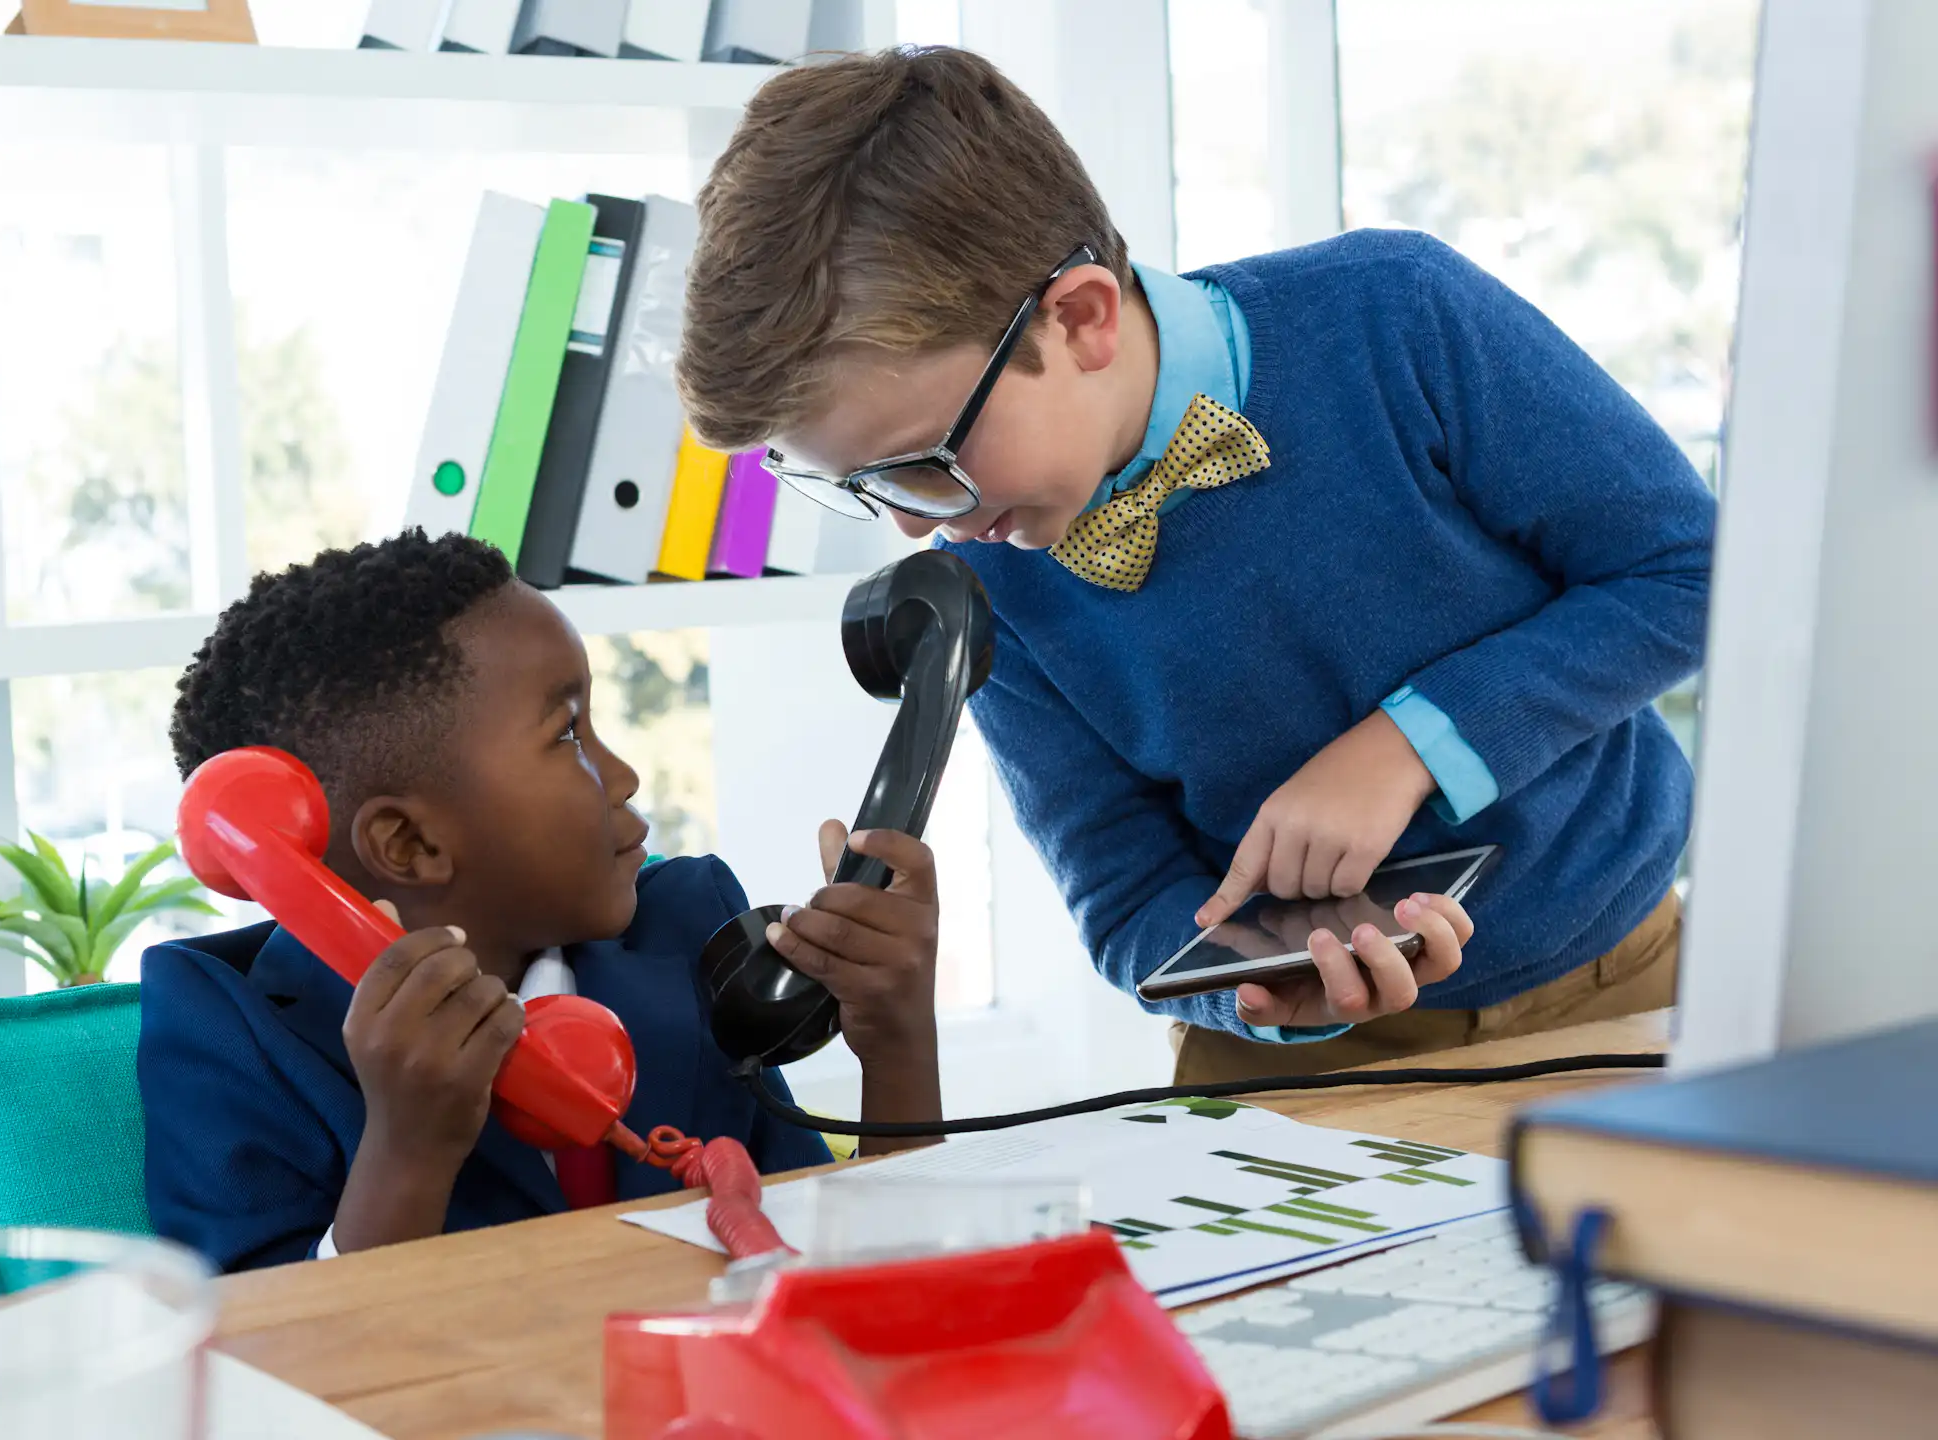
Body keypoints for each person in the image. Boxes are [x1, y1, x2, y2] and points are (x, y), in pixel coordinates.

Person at [674, 47, 1708, 1083]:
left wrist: (1407, 747)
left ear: (1078, 318)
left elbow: (1691, 572)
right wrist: (1261, 994)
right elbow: (1124, 900)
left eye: (927, 463)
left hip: (1622, 990)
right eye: (866, 486)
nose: (911, 527)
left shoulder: (1397, 316)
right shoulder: (984, 571)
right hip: (1280, 1069)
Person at [140, 532, 942, 1273]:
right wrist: (407, 1153)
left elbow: (867, 1282)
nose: (622, 774)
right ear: (411, 845)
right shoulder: (231, 1039)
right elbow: (270, 1385)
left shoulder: (689, 932)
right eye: (567, 734)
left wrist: (897, 1040)